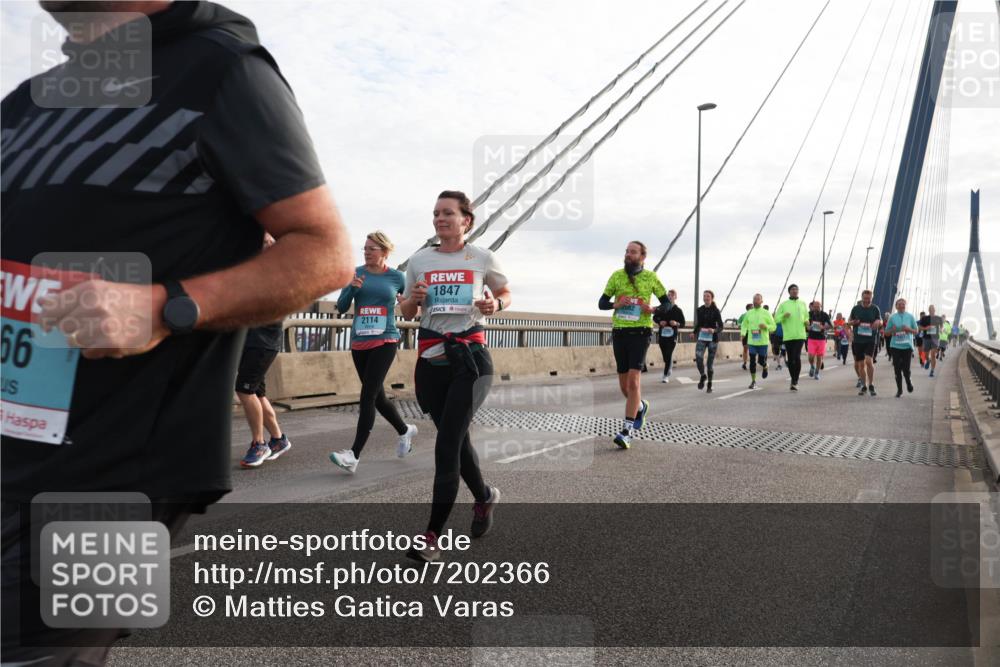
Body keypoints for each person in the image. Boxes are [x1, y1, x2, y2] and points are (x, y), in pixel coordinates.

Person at [1, 2, 354, 664]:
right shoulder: (24, 105)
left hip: (122, 471)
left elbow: (325, 251)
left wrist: (166, 307)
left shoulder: (223, 72)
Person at [400, 191, 510, 563]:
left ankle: (432, 537)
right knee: (457, 440)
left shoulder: (481, 257)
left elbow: (505, 292)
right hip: (430, 360)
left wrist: (495, 304)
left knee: (447, 445)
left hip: (471, 359)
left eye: (448, 213)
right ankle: (484, 497)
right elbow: (406, 309)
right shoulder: (418, 260)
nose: (440, 219)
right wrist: (413, 298)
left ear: (467, 220)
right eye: (436, 213)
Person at [329, 231, 417, 474]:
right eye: (365, 248)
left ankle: (353, 455)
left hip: (386, 339)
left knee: (367, 396)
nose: (366, 252)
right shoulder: (356, 273)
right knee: (377, 397)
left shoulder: (397, 277)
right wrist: (352, 290)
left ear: (385, 252)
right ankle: (404, 430)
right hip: (360, 341)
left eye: (371, 249)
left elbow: (411, 308)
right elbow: (343, 306)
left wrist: (405, 302)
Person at [599, 241, 667, 448]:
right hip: (619, 332)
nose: (628, 254)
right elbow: (601, 303)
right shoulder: (616, 276)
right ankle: (639, 407)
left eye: (633, 252)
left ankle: (627, 431)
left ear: (642, 257)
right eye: (627, 251)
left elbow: (668, 304)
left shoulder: (651, 277)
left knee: (633, 382)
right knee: (623, 386)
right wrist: (615, 304)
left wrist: (653, 309)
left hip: (641, 332)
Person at [237, 235, 292, 468]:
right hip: (250, 341)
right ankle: (278, 440)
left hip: (263, 342)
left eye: (268, 242)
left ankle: (259, 444)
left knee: (244, 390)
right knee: (257, 394)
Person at [773, 284, 808, 391]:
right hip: (788, 336)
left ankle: (795, 380)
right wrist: (783, 316)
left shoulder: (802, 304)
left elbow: (806, 316)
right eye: (792, 289)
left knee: (796, 357)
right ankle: (793, 379)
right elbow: (776, 319)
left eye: (796, 289)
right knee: (790, 359)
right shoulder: (784, 305)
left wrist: (807, 321)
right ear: (789, 292)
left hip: (800, 335)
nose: (795, 291)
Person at [849, 290, 883, 396]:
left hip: (870, 339)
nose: (867, 300)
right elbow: (849, 321)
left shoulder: (875, 308)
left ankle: (871, 384)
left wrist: (878, 322)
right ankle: (864, 385)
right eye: (865, 298)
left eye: (869, 298)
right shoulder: (856, 308)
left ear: (871, 298)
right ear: (862, 298)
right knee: (860, 364)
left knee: (869, 361)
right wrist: (853, 322)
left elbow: (880, 321)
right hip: (858, 340)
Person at [692, 289, 724, 394]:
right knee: (698, 357)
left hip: (712, 339)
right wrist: (694, 332)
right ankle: (703, 375)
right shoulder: (699, 310)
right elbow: (699, 324)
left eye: (708, 296)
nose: (706, 298)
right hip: (702, 337)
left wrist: (714, 330)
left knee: (709, 365)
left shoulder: (716, 310)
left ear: (711, 298)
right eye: (704, 296)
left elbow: (721, 326)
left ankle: (710, 384)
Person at [741, 293, 775, 389]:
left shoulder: (766, 313)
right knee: (752, 361)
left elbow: (773, 326)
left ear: (761, 301)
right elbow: (744, 324)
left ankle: (765, 366)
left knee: (760, 361)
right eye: (754, 299)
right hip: (752, 341)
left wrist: (766, 327)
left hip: (763, 341)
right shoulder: (749, 313)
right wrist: (743, 333)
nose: (755, 301)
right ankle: (753, 381)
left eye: (757, 299)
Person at [885, 298, 917, 397]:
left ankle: (908, 381)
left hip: (907, 346)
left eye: (903, 304)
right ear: (896, 306)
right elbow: (886, 333)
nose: (901, 306)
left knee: (906, 369)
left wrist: (908, 329)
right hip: (895, 346)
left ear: (905, 306)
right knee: (897, 369)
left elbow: (916, 331)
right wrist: (892, 331)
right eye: (899, 304)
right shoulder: (892, 318)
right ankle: (899, 390)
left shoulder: (910, 317)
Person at [652, 289, 685, 383]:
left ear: (675, 297)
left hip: (672, 335)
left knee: (669, 354)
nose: (670, 296)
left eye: (672, 295)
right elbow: (654, 317)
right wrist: (660, 322)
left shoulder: (678, 310)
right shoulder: (662, 307)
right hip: (662, 335)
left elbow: (683, 323)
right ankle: (669, 365)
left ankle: (665, 375)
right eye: (668, 295)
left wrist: (676, 323)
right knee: (665, 356)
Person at [806, 300, 831, 380]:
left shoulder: (824, 315)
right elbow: (804, 322)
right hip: (811, 338)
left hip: (821, 338)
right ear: (812, 307)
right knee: (811, 357)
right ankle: (812, 366)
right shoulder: (809, 314)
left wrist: (823, 327)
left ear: (821, 306)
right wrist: (807, 327)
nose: (816, 308)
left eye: (818, 306)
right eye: (815, 307)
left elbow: (831, 325)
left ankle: (817, 373)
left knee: (820, 357)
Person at [918, 305, 943, 378]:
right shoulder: (924, 318)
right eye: (930, 309)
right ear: (928, 310)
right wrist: (926, 328)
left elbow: (941, 327)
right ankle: (928, 361)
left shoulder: (938, 318)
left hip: (935, 338)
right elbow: (920, 327)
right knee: (926, 355)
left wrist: (941, 330)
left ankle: (932, 371)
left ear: (935, 310)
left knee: (933, 355)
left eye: (933, 309)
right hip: (926, 338)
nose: (932, 310)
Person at [739, 303, 752, 370]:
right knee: (746, 349)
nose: (753, 308)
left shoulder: (755, 314)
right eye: (752, 307)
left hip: (753, 333)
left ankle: (748, 362)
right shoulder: (743, 315)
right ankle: (745, 363)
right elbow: (739, 323)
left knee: (749, 349)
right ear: (748, 308)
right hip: (747, 334)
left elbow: (738, 324)